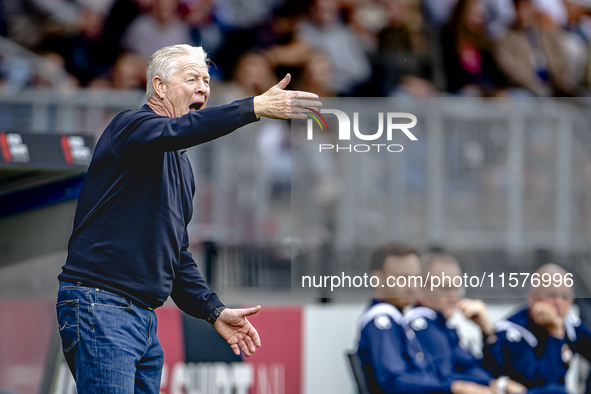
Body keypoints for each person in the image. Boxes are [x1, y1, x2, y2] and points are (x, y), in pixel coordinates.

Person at [56, 44, 321, 393]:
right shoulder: (129, 126)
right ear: (160, 86)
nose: (203, 87)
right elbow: (181, 130)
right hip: (100, 304)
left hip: (140, 318)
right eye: (192, 78)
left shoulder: (182, 166)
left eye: (207, 80)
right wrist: (253, 106)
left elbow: (177, 255)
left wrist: (214, 311)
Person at [356, 243, 493, 394]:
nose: (411, 286)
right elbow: (394, 381)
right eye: (402, 278)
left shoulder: (399, 321)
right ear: (378, 279)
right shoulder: (382, 320)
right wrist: (454, 388)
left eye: (415, 278)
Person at [407, 252, 526, 393]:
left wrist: (487, 332)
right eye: (445, 288)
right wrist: (495, 384)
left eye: (457, 288)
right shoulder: (422, 324)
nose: (453, 297)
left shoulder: (444, 326)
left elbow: (487, 371)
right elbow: (442, 377)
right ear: (421, 289)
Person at [479, 264, 591, 393]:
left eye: (565, 297)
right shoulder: (512, 332)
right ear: (532, 298)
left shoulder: (569, 325)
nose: (559, 303)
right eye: (552, 296)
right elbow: (543, 381)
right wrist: (555, 333)